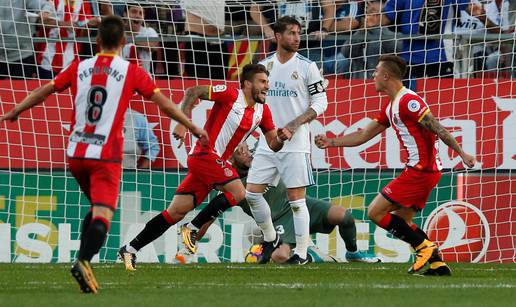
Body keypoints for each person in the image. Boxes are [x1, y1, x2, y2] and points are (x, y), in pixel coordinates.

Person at [0, 15, 207, 293]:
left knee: (96, 206)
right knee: (104, 214)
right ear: (123, 41)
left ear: (97, 41)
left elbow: (43, 91)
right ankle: (84, 261)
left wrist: (16, 110)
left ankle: (83, 259)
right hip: (105, 156)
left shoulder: (79, 67)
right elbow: (164, 104)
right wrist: (191, 125)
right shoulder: (131, 71)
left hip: (75, 154)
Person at [180, 16, 328, 266]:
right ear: (278, 37)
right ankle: (270, 239)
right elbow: (251, 106)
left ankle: (301, 253)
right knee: (251, 193)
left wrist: (294, 125)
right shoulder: (264, 66)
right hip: (269, 142)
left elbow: (321, 102)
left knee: (296, 199)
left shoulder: (307, 66)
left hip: (296, 142)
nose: (297, 38)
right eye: (291, 33)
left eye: (298, 33)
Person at [315, 55, 476, 275]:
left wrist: (461, 152)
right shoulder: (391, 106)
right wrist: (332, 142)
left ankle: (424, 247)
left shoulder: (409, 101)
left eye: (376, 72)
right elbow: (364, 135)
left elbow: (438, 128)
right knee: (403, 221)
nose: (372, 75)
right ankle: (438, 264)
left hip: (421, 170)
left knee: (375, 212)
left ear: (386, 75)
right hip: (424, 171)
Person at [118, 63, 289, 271]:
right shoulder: (229, 94)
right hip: (204, 155)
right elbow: (193, 91)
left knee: (175, 212)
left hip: (214, 164)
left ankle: (130, 248)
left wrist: (281, 138)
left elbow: (273, 143)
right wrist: (182, 122)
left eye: (267, 82)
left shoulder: (263, 111)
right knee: (239, 192)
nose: (267, 86)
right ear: (247, 84)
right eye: (262, 82)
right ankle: (192, 228)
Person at [174, 143, 380, 264]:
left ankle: (353, 253)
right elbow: (209, 219)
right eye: (240, 151)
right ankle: (312, 253)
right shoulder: (229, 185)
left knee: (345, 217)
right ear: (230, 159)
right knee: (281, 257)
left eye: (247, 149)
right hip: (279, 221)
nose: (247, 153)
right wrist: (190, 244)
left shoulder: (262, 159)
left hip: (301, 204)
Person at [369, 0, 484, 86]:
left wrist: (473, 9)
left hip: (441, 56)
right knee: (410, 103)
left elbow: (466, 5)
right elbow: (388, 16)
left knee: (443, 103)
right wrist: (375, 20)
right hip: (411, 56)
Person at [34, 0, 100, 79]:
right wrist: (64, 24)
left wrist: (88, 25)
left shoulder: (84, 3)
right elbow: (40, 22)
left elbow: (84, 35)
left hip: (71, 61)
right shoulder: (51, 1)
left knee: (68, 91)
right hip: (47, 60)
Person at [0, 0, 57, 79]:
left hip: (22, 55)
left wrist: (45, 11)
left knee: (21, 89)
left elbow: (45, 5)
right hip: (1, 55)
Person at [121, 2, 160, 74]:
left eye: (140, 13)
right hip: (122, 78)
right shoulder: (118, 32)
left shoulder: (149, 31)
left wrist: (131, 40)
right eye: (134, 12)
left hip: (144, 78)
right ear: (125, 14)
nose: (138, 16)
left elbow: (154, 46)